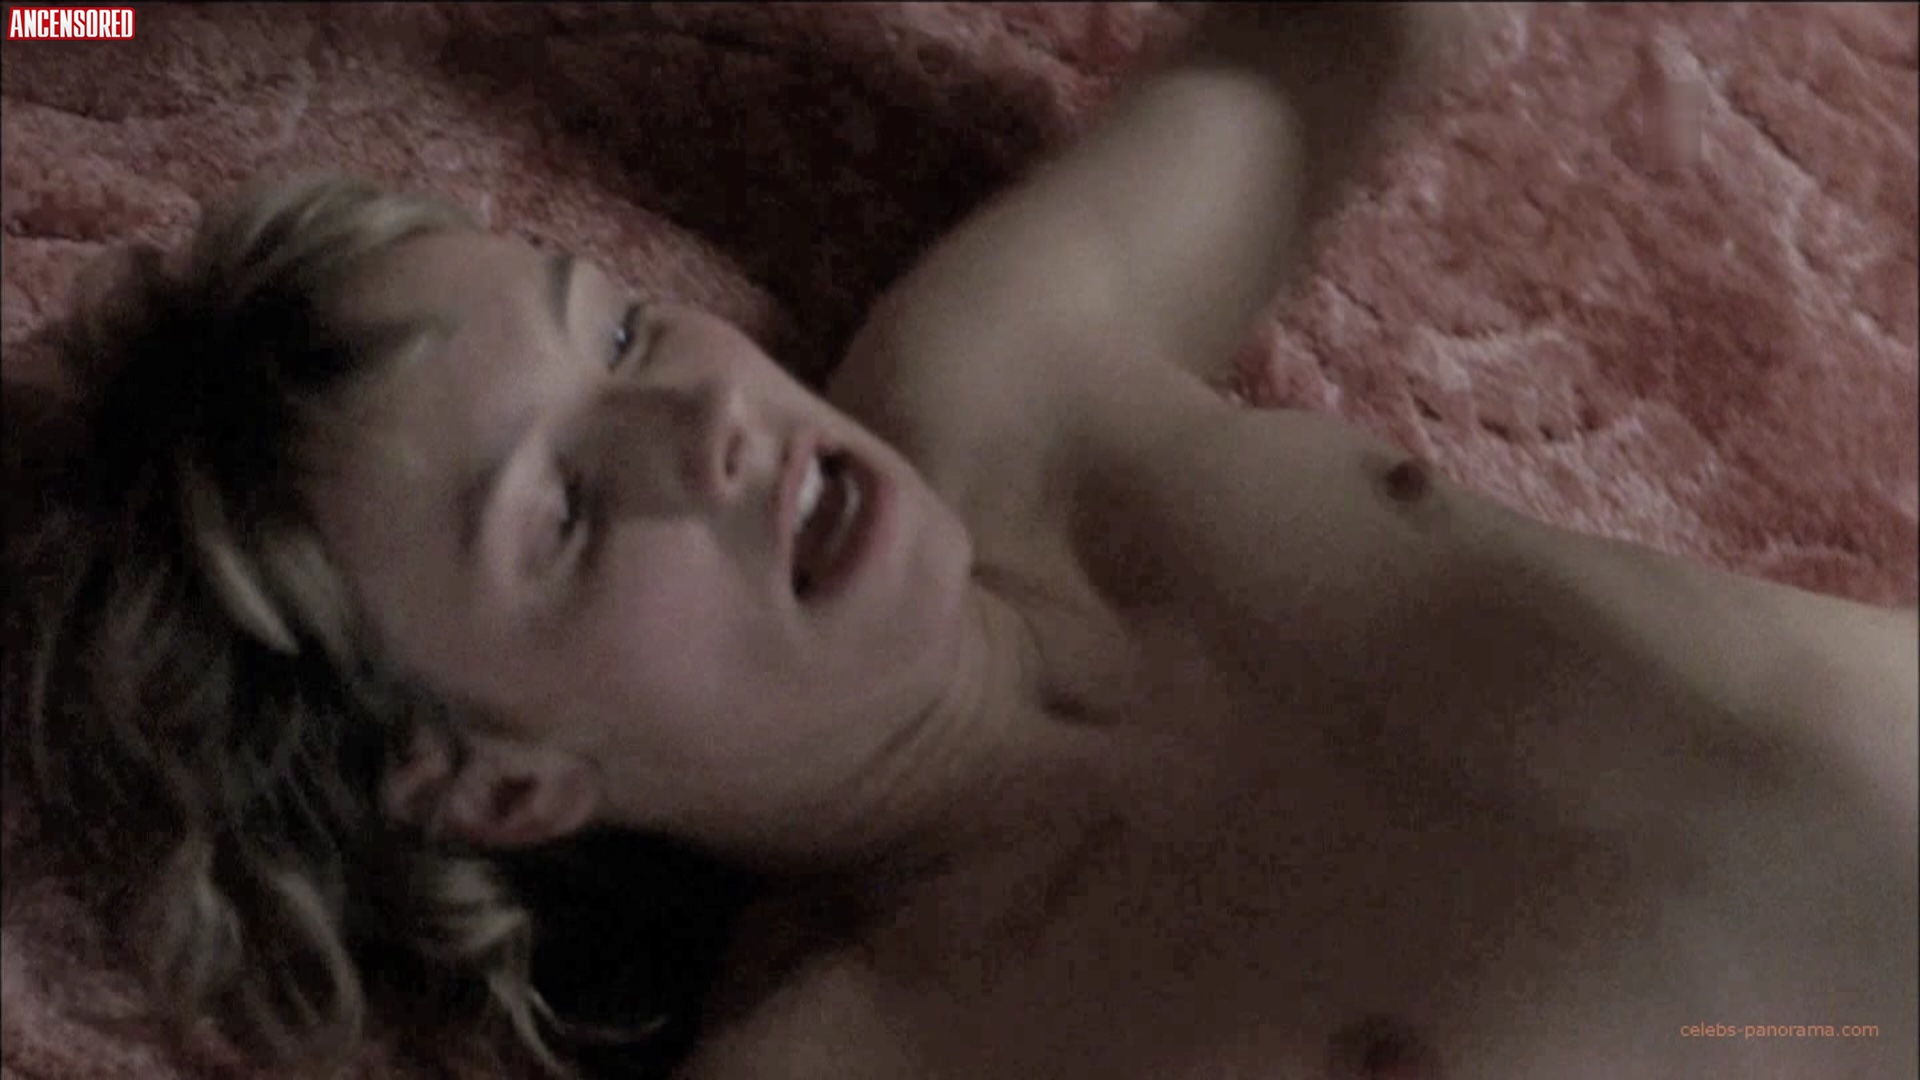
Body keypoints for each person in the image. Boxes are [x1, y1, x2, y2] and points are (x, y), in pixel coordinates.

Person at [12, 5, 1914, 1078]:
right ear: (498, 781)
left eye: (624, 332)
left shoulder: (1004, 389)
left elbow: (1333, 44)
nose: (711, 427)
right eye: (568, 509)